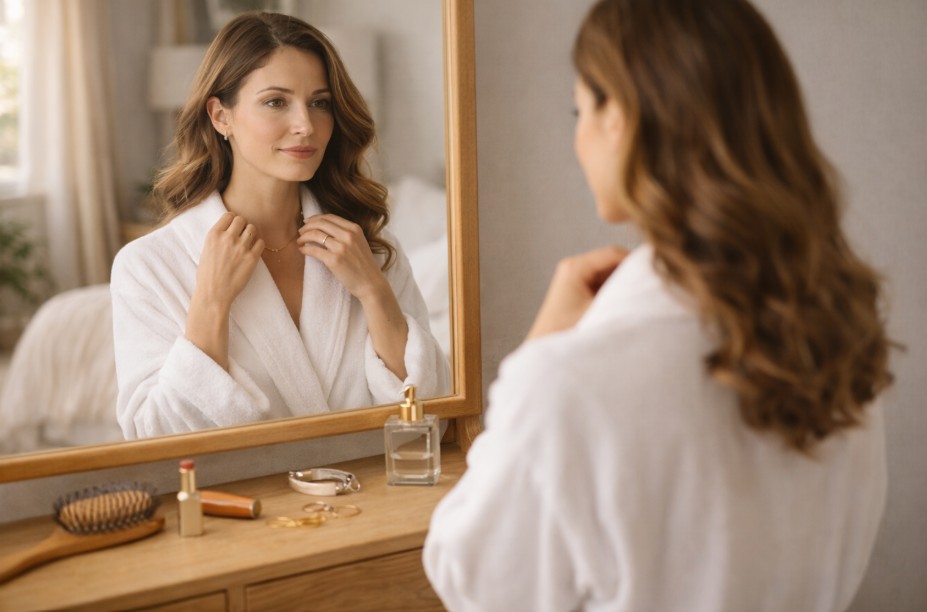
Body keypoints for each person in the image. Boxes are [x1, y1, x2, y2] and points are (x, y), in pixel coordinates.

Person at [423, 0, 894, 609]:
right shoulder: (838, 339)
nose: (578, 136)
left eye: (579, 108)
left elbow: (476, 581)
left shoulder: (566, 383)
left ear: (617, 115)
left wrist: (542, 351)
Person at [111, 12, 449, 439]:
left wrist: (373, 291)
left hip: (372, 500)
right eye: (276, 101)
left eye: (320, 102)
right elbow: (150, 437)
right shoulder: (147, 266)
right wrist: (211, 303)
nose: (306, 125)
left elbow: (432, 415)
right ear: (221, 116)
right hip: (243, 504)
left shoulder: (370, 249)